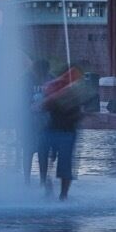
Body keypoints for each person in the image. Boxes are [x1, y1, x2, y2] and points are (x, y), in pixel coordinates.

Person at [39, 67, 85, 201]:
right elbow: (42, 107)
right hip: (54, 130)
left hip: (66, 132)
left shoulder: (75, 93)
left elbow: (78, 114)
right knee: (45, 155)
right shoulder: (54, 90)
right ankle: (47, 183)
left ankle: (63, 195)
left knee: (64, 164)